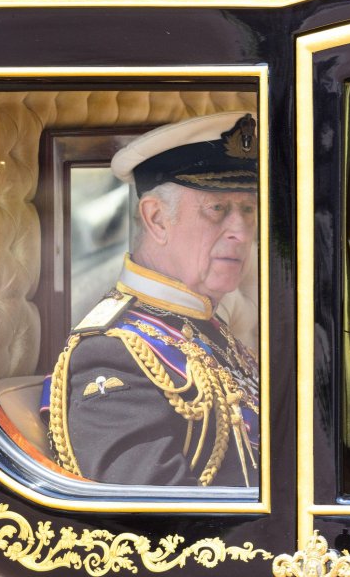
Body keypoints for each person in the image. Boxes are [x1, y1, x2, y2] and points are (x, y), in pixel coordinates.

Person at [42, 111, 260, 487]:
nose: (240, 232)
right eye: (218, 209)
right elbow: (155, 524)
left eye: (248, 209)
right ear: (157, 219)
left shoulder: (205, 322)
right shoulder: (114, 351)